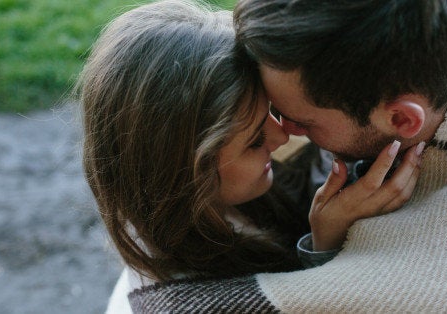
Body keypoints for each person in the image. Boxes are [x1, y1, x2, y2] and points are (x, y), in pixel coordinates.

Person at [76, 1, 423, 313]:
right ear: (189, 172)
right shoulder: (187, 301)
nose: (283, 134)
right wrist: (327, 240)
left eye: (269, 111)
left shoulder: (227, 181)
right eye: (256, 139)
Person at [227, 0, 447, 312]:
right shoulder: (431, 78)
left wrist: (327, 244)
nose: (286, 132)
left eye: (303, 121)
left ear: (402, 120)